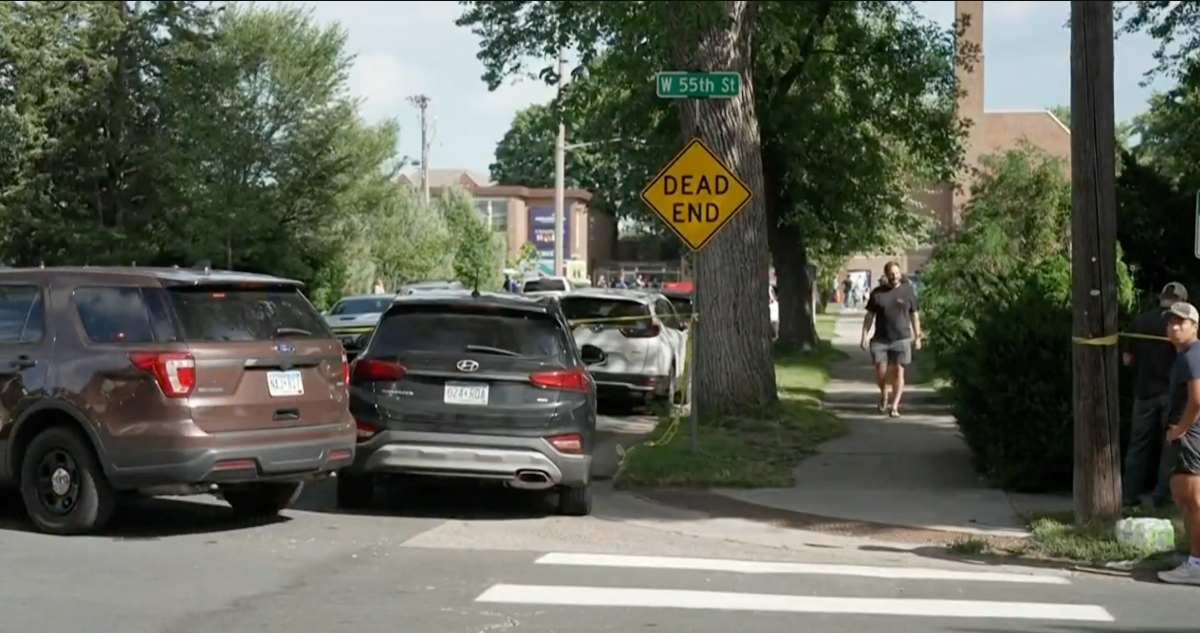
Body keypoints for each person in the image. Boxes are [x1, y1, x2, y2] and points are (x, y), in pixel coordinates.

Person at [1122, 282, 1187, 508]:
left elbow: (1127, 359)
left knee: (1138, 445)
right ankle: (1162, 496)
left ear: (1160, 297)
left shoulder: (1140, 321)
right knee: (1170, 445)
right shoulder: (1178, 325)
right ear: (1181, 302)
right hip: (1171, 393)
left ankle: (1129, 494)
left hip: (1144, 393)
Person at [1157, 301, 1200, 585]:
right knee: (1185, 500)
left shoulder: (1190, 357)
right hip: (1188, 437)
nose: (1174, 327)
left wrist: (1180, 430)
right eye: (1170, 322)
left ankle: (1196, 564)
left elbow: (1197, 400)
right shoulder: (1189, 354)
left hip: (1190, 439)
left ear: (1194, 326)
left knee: (1192, 502)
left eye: (1181, 322)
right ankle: (1193, 558)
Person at [860, 262, 922, 418]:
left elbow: (915, 316)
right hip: (880, 339)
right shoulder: (878, 293)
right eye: (891, 273)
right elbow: (869, 316)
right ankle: (884, 393)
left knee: (899, 372)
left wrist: (918, 336)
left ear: (900, 273)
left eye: (896, 272)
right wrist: (864, 335)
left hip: (902, 338)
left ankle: (894, 406)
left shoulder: (908, 292)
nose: (894, 276)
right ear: (886, 275)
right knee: (881, 371)